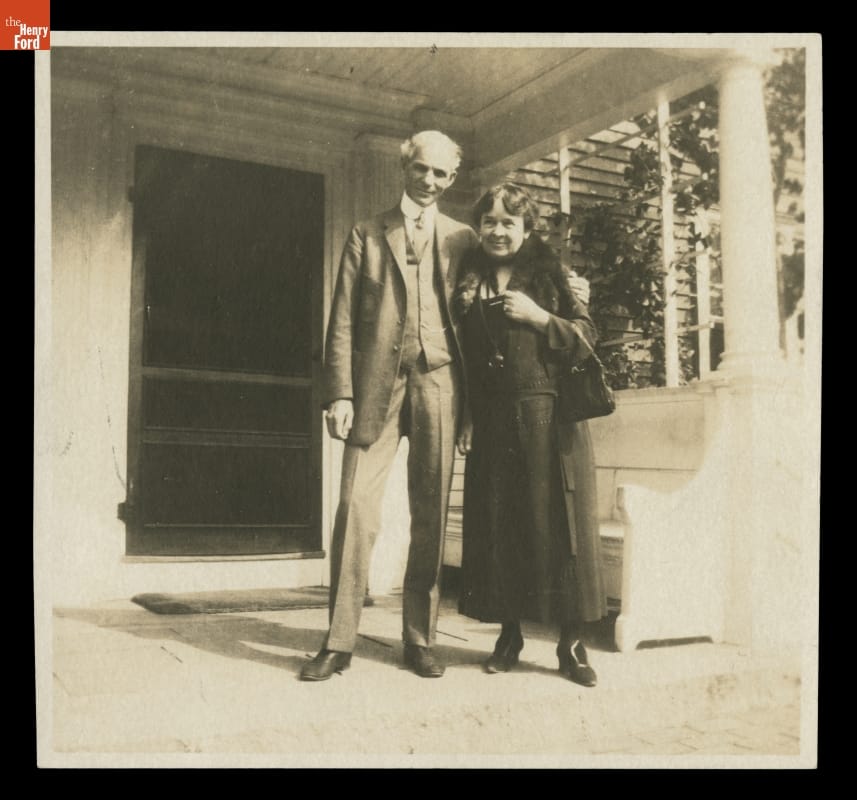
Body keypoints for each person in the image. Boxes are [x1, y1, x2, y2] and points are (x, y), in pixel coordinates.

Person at [301, 131, 478, 681]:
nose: (430, 181)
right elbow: (343, 320)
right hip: (376, 386)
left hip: (442, 384)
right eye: (421, 169)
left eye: (441, 175)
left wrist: (471, 411)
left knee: (430, 517)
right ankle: (338, 641)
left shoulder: (464, 238)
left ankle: (419, 639)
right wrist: (340, 393)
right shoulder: (367, 233)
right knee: (355, 506)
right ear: (405, 169)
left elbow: (479, 324)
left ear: (451, 180)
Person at [453, 183, 607, 687]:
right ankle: (510, 634)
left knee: (557, 530)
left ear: (526, 228)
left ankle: (572, 644)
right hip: (496, 421)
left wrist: (540, 317)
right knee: (502, 526)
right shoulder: (469, 280)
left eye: (508, 223)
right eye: (490, 222)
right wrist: (470, 417)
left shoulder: (551, 275)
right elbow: (471, 362)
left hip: (549, 421)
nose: (498, 232)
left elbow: (586, 337)